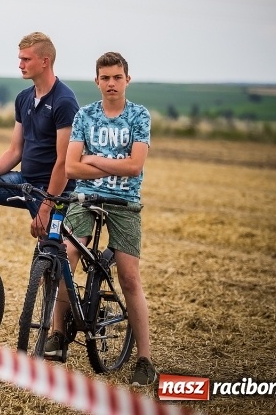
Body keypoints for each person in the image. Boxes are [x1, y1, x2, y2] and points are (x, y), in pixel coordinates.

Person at [49, 51, 156, 386]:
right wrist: (108, 162)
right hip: (85, 197)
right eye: (105, 78)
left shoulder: (139, 116)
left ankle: (145, 359)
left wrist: (94, 159)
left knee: (129, 277)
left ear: (127, 79)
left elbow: (134, 166)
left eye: (117, 77)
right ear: (97, 81)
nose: (111, 83)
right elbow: (71, 168)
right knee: (65, 255)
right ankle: (56, 333)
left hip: (125, 202)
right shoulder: (85, 115)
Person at [0, 31, 79, 239]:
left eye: (26, 59)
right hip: (24, 182)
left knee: (53, 256)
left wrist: (46, 207)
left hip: (53, 191)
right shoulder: (23, 98)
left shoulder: (64, 101)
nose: (20, 65)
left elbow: (64, 161)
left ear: (45, 61)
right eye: (20, 59)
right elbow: (15, 151)